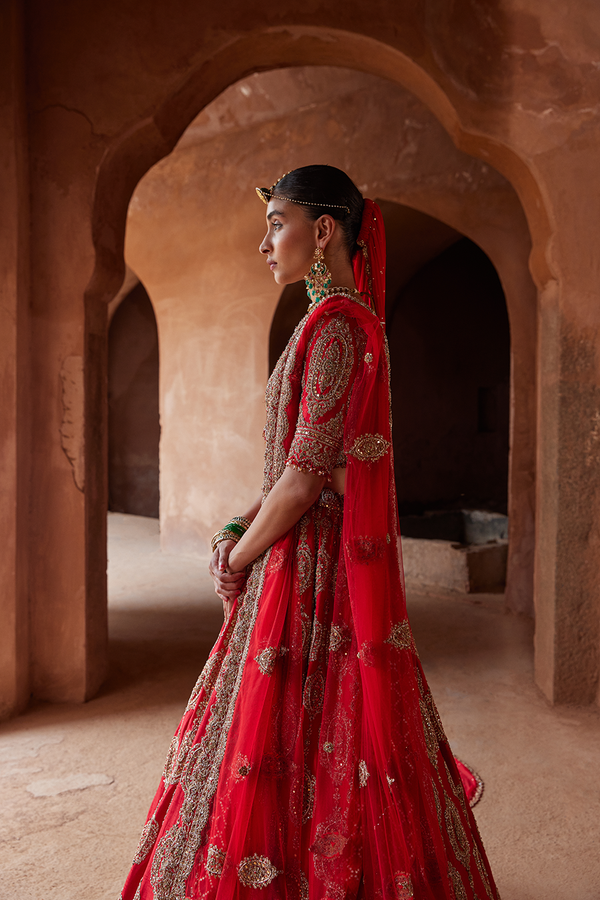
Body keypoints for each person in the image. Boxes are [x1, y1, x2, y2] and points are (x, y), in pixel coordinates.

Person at [120, 166, 500, 900]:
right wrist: (240, 525)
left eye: (277, 223)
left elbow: (302, 482)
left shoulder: (335, 327)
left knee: (296, 729)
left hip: (313, 567)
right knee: (308, 731)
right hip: (301, 550)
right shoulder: (334, 322)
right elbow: (300, 473)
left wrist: (236, 548)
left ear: (323, 232)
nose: (265, 244)